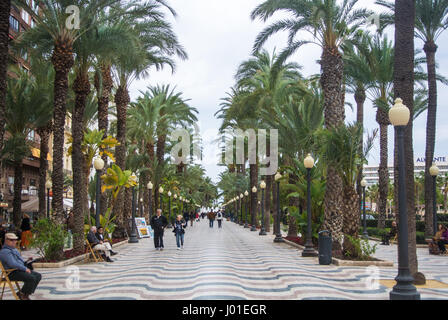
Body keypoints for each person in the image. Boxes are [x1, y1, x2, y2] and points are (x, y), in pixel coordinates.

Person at [0, 233, 41, 300]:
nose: (14, 242)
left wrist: (26, 262)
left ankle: (23, 294)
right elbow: (12, 264)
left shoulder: (14, 250)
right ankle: (24, 296)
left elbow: (20, 261)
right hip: (11, 272)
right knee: (31, 278)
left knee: (38, 276)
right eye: (11, 240)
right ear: (6, 240)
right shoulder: (4, 252)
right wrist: (25, 268)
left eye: (15, 240)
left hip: (19, 270)